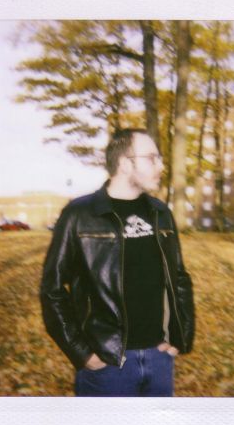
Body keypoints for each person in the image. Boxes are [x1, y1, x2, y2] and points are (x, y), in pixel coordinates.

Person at [40, 128, 195, 397]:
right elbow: (52, 289)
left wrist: (181, 337)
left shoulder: (161, 213)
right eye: (152, 158)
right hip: (108, 365)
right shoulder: (79, 214)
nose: (161, 166)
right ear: (124, 163)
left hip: (159, 359)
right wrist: (82, 353)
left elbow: (179, 278)